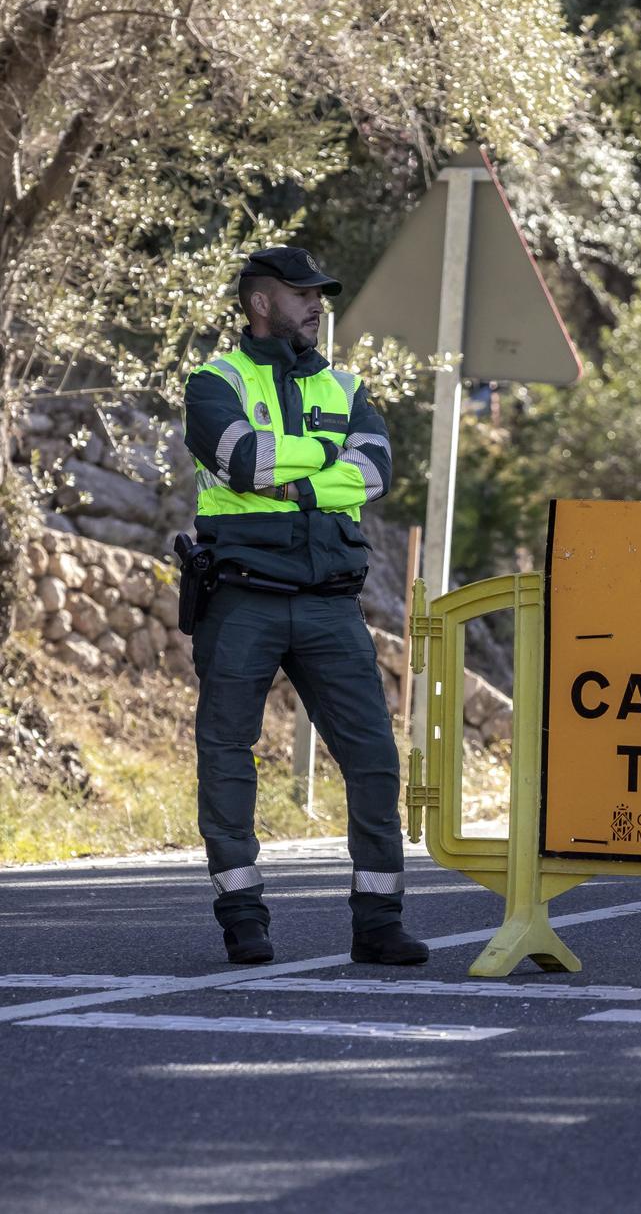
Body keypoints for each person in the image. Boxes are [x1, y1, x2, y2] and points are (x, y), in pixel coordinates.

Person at [179, 246, 425, 967]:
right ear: (261, 303)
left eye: (320, 293)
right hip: (241, 598)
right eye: (302, 292)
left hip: (330, 605)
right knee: (227, 755)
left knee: (377, 759)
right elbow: (242, 461)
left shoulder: (347, 387)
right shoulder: (212, 381)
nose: (317, 303)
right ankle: (242, 915)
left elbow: (375, 469)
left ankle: (378, 922)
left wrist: (300, 484)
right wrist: (325, 457)